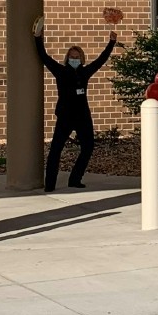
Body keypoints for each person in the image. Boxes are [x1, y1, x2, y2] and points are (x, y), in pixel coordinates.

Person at [33, 17, 117, 191]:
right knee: (56, 149)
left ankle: (75, 178)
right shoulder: (61, 71)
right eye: (72, 57)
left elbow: (101, 61)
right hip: (65, 115)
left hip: (82, 116)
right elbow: (44, 56)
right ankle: (50, 184)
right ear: (67, 58)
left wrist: (111, 42)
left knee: (88, 147)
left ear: (81, 58)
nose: (74, 59)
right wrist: (37, 37)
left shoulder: (84, 72)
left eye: (77, 57)